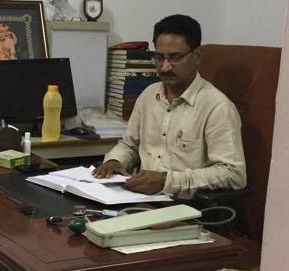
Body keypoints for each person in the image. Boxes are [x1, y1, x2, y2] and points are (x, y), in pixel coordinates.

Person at [94, 15, 246, 199]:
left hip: (184, 205)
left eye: (175, 58)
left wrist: (166, 181)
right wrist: (115, 160)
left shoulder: (217, 107)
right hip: (138, 196)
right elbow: (130, 145)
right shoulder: (148, 95)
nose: (165, 67)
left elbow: (233, 173)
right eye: (159, 58)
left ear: (196, 56)